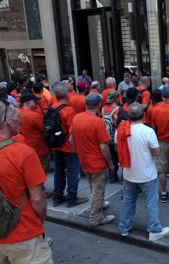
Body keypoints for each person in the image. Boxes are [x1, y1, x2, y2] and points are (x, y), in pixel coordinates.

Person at [0, 100, 53, 263]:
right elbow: (38, 198)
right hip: (24, 233)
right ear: (8, 122)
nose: (20, 123)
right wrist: (39, 221)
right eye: (17, 119)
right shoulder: (23, 152)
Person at [115, 103, 169, 240]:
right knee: (150, 202)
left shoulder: (120, 130)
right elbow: (156, 152)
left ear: (129, 115)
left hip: (129, 173)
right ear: (144, 115)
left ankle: (124, 227)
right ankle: (154, 229)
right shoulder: (148, 131)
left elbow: (117, 149)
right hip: (147, 174)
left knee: (128, 201)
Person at [69, 94, 115, 226]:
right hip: (97, 162)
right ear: (98, 105)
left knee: (93, 186)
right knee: (98, 189)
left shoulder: (76, 117)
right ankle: (96, 217)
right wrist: (110, 163)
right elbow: (103, 146)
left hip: (84, 160)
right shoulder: (97, 121)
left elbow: (71, 139)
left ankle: (98, 204)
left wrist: (78, 152)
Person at [51, 82, 88, 207]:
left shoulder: (52, 107)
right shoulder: (68, 110)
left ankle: (57, 196)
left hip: (56, 145)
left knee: (58, 170)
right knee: (73, 171)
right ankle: (72, 198)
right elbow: (73, 130)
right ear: (66, 94)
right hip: (68, 146)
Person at [18, 92, 50, 172]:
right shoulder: (33, 116)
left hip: (24, 146)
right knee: (42, 170)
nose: (37, 103)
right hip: (39, 148)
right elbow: (43, 129)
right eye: (34, 101)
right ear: (27, 103)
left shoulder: (17, 112)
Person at [102, 91, 123, 183]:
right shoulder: (118, 109)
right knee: (117, 156)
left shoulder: (103, 109)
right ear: (116, 99)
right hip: (114, 136)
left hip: (105, 134)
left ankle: (111, 175)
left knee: (110, 156)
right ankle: (115, 175)